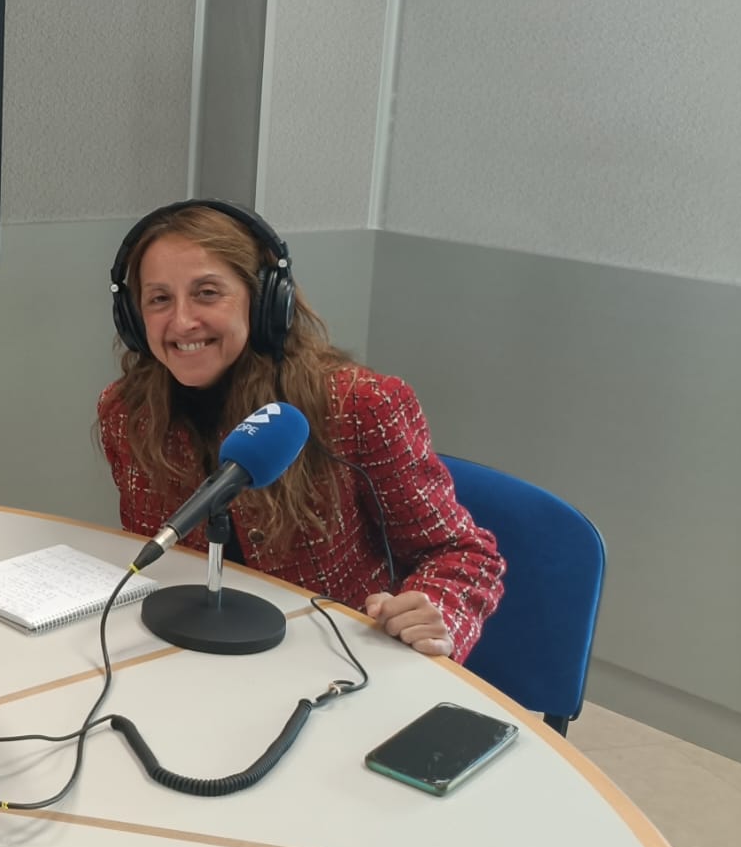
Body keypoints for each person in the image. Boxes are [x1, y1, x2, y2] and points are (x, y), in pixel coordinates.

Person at [97, 200, 504, 660]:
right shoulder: (130, 411)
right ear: (133, 320)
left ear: (267, 300)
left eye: (208, 292)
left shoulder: (359, 405)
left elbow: (464, 555)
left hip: (331, 660)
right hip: (185, 653)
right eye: (159, 299)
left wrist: (436, 614)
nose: (183, 320)